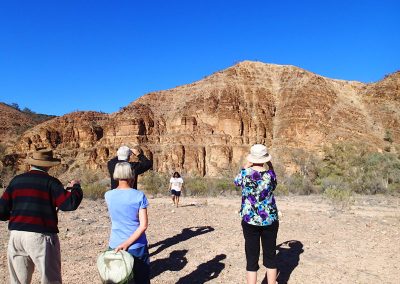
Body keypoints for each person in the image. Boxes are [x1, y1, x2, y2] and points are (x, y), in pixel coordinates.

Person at [0, 148, 83, 284]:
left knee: (18, 281)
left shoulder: (16, 181)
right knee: (50, 279)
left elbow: (2, 210)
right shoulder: (51, 182)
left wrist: (17, 216)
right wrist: (76, 188)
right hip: (40, 237)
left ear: (31, 163)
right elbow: (69, 204)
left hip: (16, 235)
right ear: (49, 165)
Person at [234, 144, 279, 284]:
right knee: (270, 255)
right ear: (265, 159)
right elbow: (274, 184)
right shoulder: (270, 175)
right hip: (269, 219)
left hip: (249, 219)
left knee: (251, 257)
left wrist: (246, 166)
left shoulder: (244, 174)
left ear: (252, 158)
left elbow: (236, 182)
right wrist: (270, 166)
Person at [105, 162, 150, 284]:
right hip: (137, 246)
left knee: (119, 280)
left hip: (115, 244)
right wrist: (127, 243)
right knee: (141, 280)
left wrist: (123, 243)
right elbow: (143, 225)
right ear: (132, 175)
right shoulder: (139, 196)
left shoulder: (108, 195)